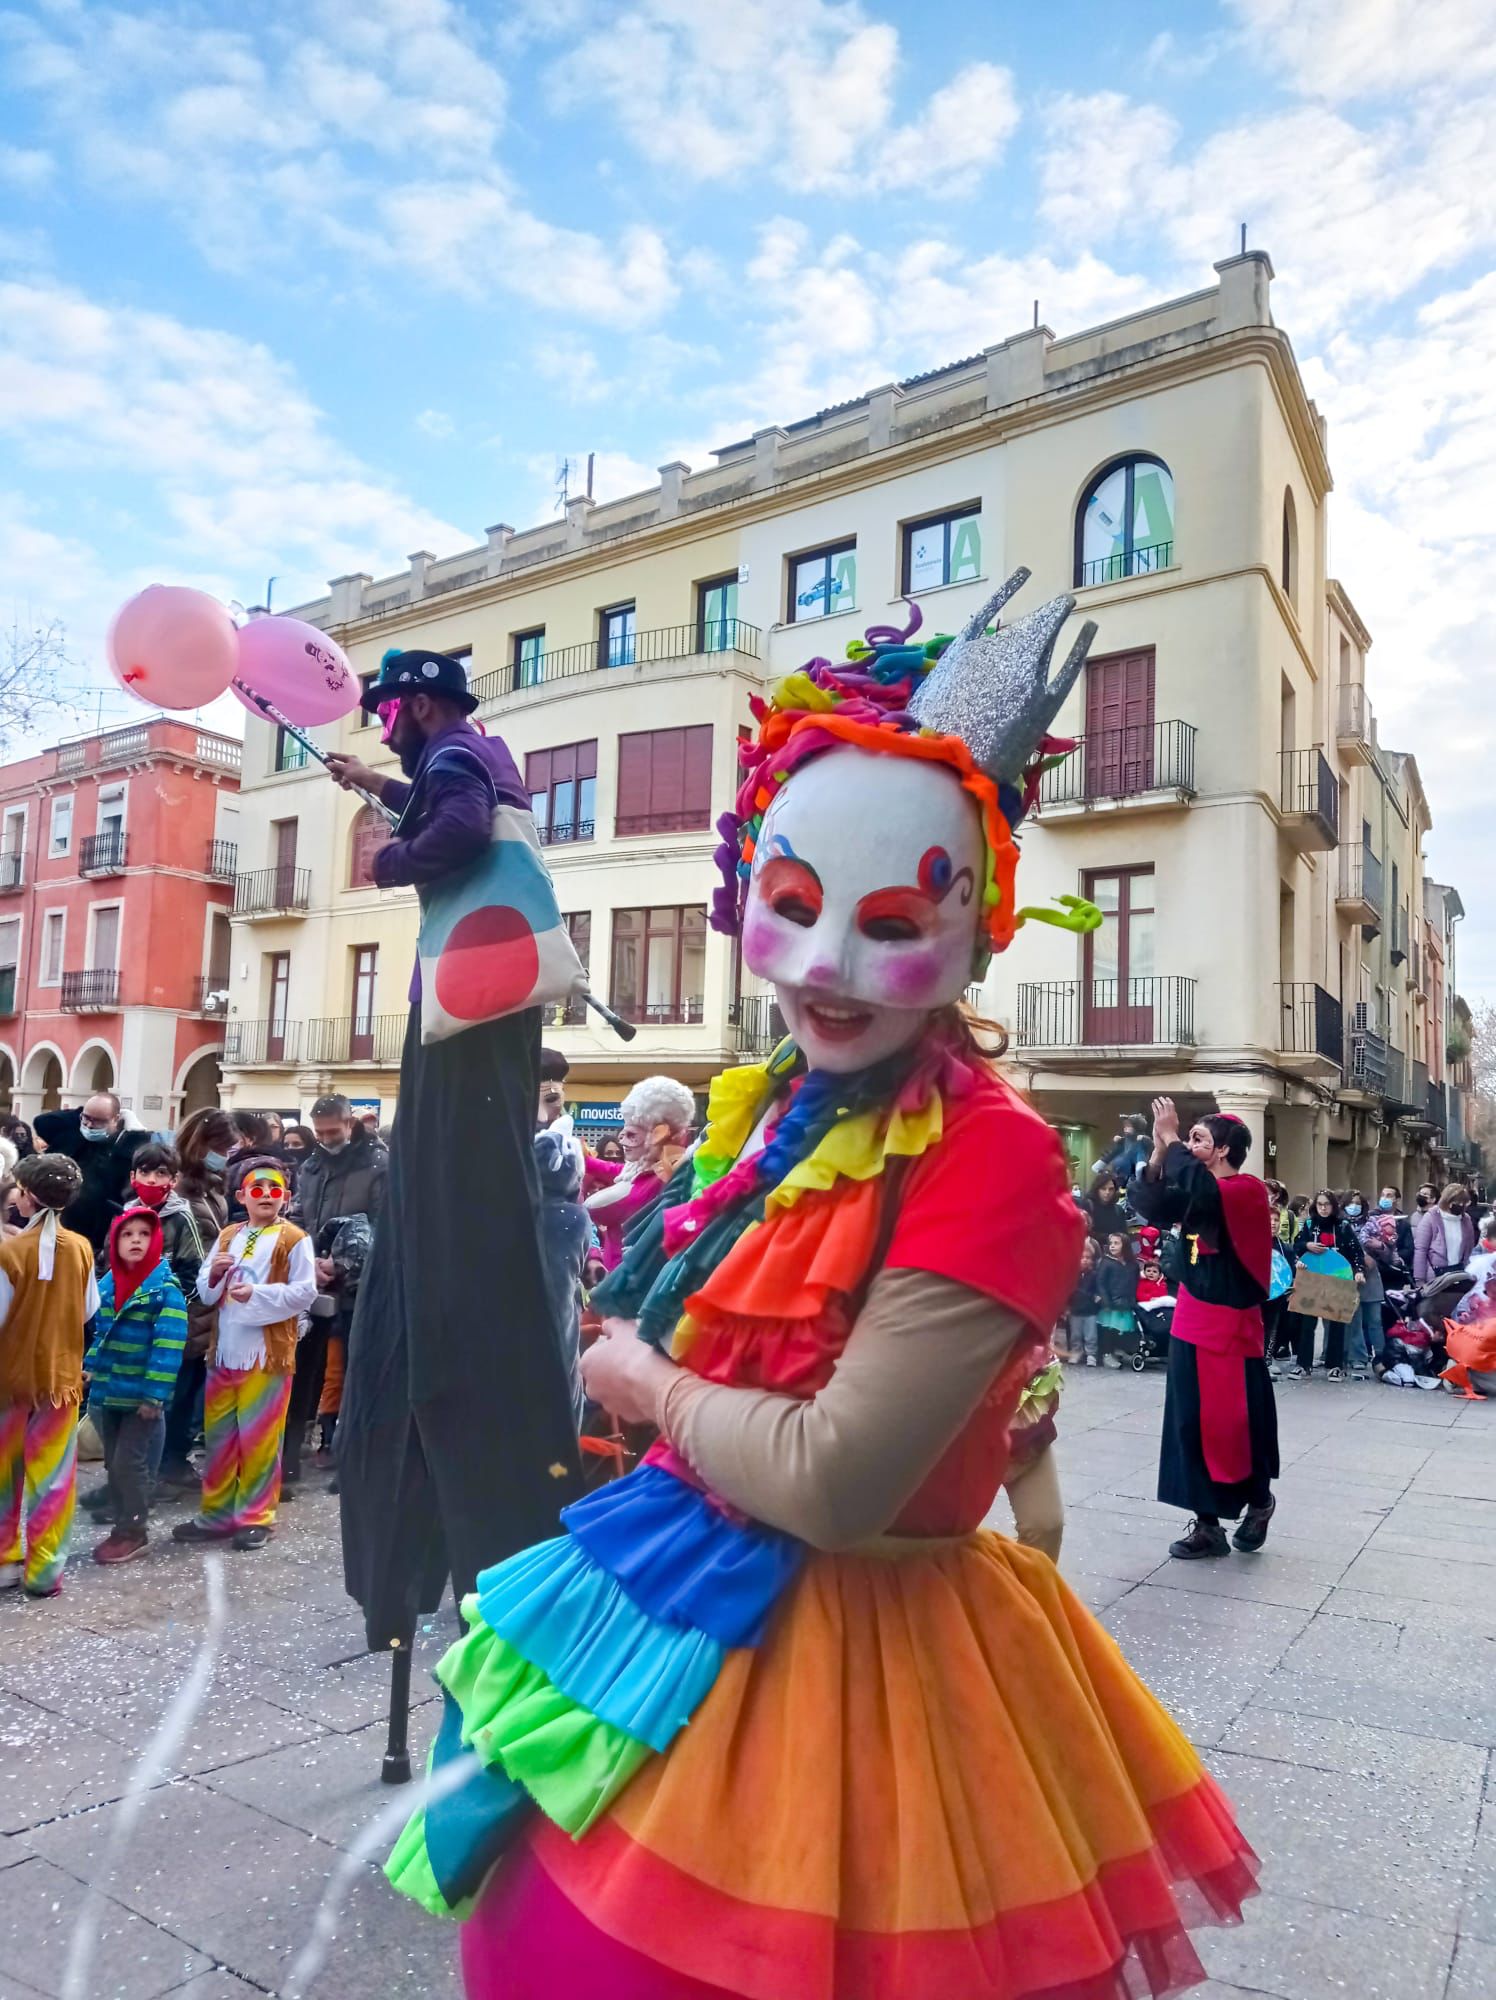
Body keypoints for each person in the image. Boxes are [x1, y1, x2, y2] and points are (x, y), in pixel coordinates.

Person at [386, 579, 1258, 1996]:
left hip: (867, 1653)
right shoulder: (784, 1106)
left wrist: (643, 1381)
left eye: (893, 916)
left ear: (973, 924)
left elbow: (843, 1479)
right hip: (679, 1580)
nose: (834, 968)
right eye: (794, 907)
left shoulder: (992, 1152)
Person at [325, 647, 583, 1651]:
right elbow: (453, 795)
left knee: (455, 1176)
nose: (385, 723)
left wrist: (391, 857)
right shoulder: (471, 750)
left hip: (471, 1015)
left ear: (421, 703)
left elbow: (459, 827)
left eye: (392, 711)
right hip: (492, 998)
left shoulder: (453, 761)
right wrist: (378, 786)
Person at [1133, 1096, 1278, 1560]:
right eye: (1189, 1136)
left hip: (1232, 1329)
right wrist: (1160, 1150)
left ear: (1221, 1151)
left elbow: (1204, 1191)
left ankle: (1258, 1503)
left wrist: (1173, 1136)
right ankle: (1208, 1526)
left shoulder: (1245, 1189)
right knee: (1188, 1424)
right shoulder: (1197, 1189)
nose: (1190, 1144)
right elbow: (1154, 1205)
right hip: (1192, 1318)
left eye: (1199, 1139)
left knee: (1236, 1423)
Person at [174, 1165, 315, 1552]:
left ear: (285, 1197)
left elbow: (305, 1292)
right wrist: (215, 1275)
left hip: (266, 1356)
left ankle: (256, 1516)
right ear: (242, 1197)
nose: (266, 1194)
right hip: (224, 1354)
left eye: (275, 1189)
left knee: (259, 1439)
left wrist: (257, 1294)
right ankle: (216, 1513)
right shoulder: (227, 1234)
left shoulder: (295, 1238)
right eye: (258, 1189)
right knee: (219, 1438)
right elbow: (204, 1291)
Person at [0, 1153, 98, 1596]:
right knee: (53, 1480)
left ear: (30, 1196)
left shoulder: (9, 1252)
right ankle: (45, 1573)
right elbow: (89, 1309)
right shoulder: (80, 1247)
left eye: (19, 1188)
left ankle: (4, 1561)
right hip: (61, 1380)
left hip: (9, 1383)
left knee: (4, 1476)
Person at [284, 1095, 387, 1488]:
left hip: (360, 1286)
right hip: (312, 1280)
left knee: (351, 1372)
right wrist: (305, 1259)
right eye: (320, 1132)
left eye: (334, 1131)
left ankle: (347, 1450)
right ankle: (291, 1455)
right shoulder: (310, 1166)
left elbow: (384, 1223)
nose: (327, 1139)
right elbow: (301, 1217)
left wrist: (342, 1262)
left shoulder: (379, 1164)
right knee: (305, 1372)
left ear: (350, 1124)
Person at [85, 1207, 187, 1563]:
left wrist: (154, 1395)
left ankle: (133, 1530)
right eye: (128, 1235)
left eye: (144, 1235)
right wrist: (90, 1367)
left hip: (141, 1397)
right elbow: (101, 1333)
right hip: (110, 1391)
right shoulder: (109, 1283)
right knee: (114, 1462)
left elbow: (169, 1345)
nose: (136, 1241)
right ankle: (123, 1516)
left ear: (155, 1241)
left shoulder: (163, 1290)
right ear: (115, 1242)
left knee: (131, 1462)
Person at [157, 1110, 233, 1486]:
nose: (226, 1154)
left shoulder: (212, 1185)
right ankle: (166, 1462)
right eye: (221, 1147)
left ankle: (174, 1458)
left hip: (206, 1301)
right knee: (178, 1386)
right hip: (186, 1300)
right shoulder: (181, 1188)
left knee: (189, 1386)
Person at [582, 1076, 696, 1275]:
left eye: (632, 1135)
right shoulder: (641, 1170)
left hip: (634, 1277)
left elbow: (603, 1206)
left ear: (658, 1134)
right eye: (623, 1133)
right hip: (619, 1269)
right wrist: (580, 1156)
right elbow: (611, 1169)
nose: (623, 1141)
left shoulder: (666, 1176)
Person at [32, 1090, 149, 1253]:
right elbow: (42, 1122)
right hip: (59, 1225)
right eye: (86, 1119)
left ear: (116, 1119)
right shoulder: (73, 1135)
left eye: (98, 1121)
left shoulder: (127, 1145)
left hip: (98, 1233)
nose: (89, 1125)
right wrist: (83, 1113)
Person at [1283, 1190, 1362, 1381]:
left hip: (1337, 1278)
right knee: (1306, 1322)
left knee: (1336, 1322)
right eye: (1319, 1204)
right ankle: (1303, 1364)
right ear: (1315, 1206)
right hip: (1312, 1278)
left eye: (1327, 1204)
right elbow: (1296, 1246)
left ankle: (1335, 1365)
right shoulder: (1310, 1225)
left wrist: (1358, 1271)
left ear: (1333, 1206)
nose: (1323, 1208)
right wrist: (1306, 1247)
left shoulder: (1343, 1226)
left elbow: (1356, 1252)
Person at [1000, 1355, 1064, 1561]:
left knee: (1044, 1525)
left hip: (1021, 1421)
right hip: (948, 1412)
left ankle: (1025, 1591)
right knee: (937, 1539)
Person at [1414, 1181, 1476, 1286]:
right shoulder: (1431, 1217)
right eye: (1457, 1202)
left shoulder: (1466, 1220)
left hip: (1459, 1274)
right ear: (1447, 1201)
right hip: (1435, 1276)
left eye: (1463, 1203)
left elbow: (1469, 1249)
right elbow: (1421, 1249)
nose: (1460, 1205)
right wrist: (1419, 1279)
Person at [1096, 1228, 1138, 1366]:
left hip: (1125, 1302)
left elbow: (1134, 1282)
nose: (1112, 1246)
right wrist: (1106, 1302)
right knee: (1109, 1328)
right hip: (1110, 1303)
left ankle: (1118, 1351)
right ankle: (1107, 1354)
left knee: (1122, 1329)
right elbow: (1100, 1282)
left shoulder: (1132, 1264)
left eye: (1116, 1243)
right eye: (1111, 1243)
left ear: (1125, 1246)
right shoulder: (1106, 1262)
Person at [1062, 1236, 1099, 1364]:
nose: (1085, 1261)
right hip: (1075, 1309)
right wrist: (1066, 1307)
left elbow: (1098, 1290)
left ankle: (1091, 1354)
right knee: (1075, 1335)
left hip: (1090, 1310)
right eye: (1082, 1258)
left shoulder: (1094, 1275)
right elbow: (1067, 1292)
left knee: (1091, 1335)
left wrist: (1097, 1297)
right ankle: (1076, 1352)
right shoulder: (1072, 1275)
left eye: (1088, 1258)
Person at [1084, 1167, 1129, 1242]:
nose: (1107, 1192)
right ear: (1097, 1189)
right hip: (1093, 1249)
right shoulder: (1088, 1205)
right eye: (1103, 1189)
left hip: (1113, 1250)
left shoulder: (1118, 1210)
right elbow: (1084, 1232)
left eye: (1111, 1189)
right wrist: (1107, 1237)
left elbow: (1124, 1235)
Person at [1377, 1186, 1416, 1271]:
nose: (1384, 1198)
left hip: (1393, 1270)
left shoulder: (1403, 1224)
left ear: (1397, 1200)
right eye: (1383, 1195)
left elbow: (1408, 1249)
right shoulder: (1371, 1218)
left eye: (1389, 1196)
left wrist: (1392, 1257)